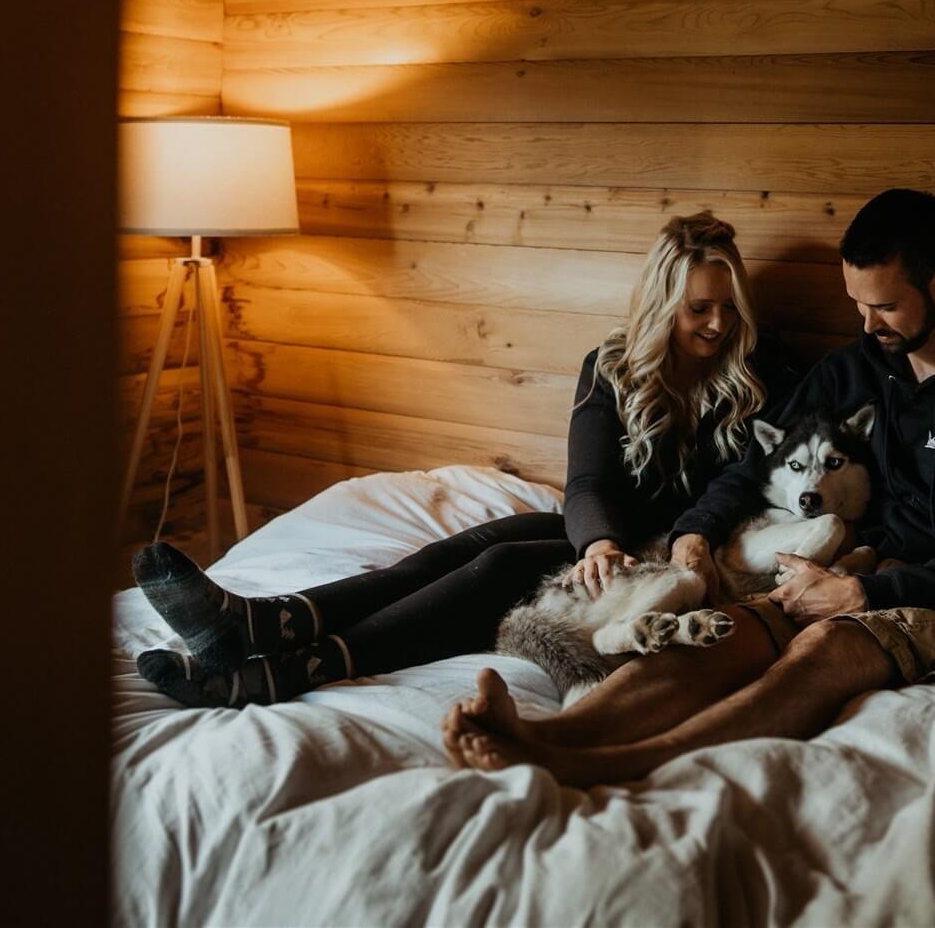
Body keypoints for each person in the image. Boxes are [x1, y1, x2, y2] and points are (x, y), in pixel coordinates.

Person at [440, 188, 935, 784]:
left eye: (886, 306)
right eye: (856, 303)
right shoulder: (854, 370)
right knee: (728, 631)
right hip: (854, 566)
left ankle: (614, 765)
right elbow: (752, 465)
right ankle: (549, 736)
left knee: (825, 643)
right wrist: (695, 531)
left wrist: (864, 591)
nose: (868, 323)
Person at [131, 212, 802, 707]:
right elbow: (589, 480)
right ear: (664, 306)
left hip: (673, 551)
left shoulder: (761, 374)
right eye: (699, 309)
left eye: (727, 307)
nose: (717, 324)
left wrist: (637, 545)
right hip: (610, 535)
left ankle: (288, 669)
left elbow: (744, 486)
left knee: (502, 565)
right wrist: (597, 540)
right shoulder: (614, 367)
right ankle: (261, 621)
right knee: (474, 543)